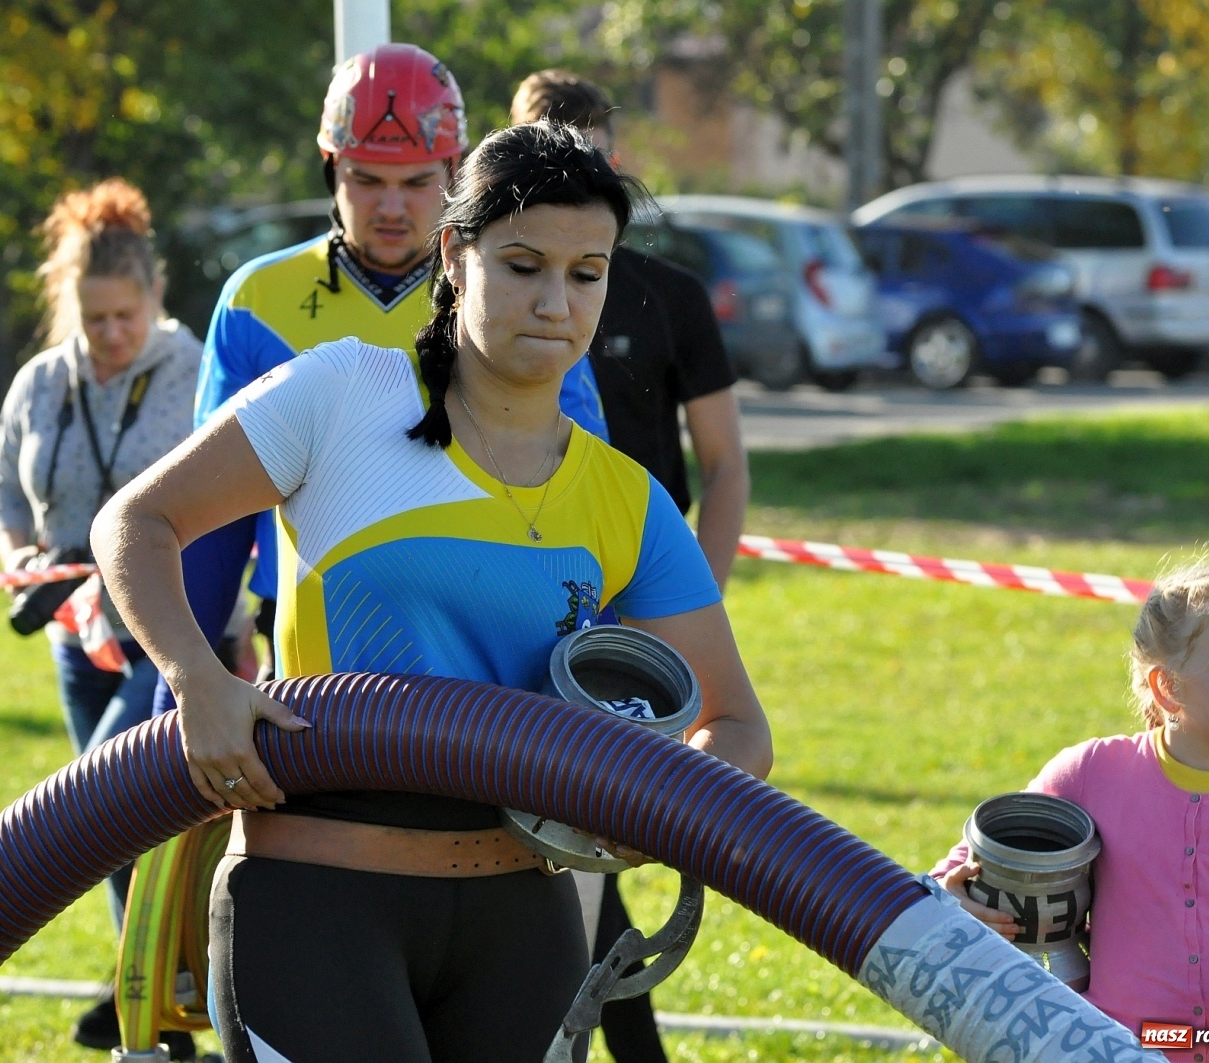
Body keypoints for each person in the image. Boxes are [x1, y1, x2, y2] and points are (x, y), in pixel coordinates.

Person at [92, 122, 773, 1063]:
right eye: (524, 263)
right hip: (317, 901)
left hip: (523, 916)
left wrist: (653, 809)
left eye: (588, 273)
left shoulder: (626, 498)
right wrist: (196, 679)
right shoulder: (343, 393)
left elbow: (737, 725)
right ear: (455, 254)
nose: (555, 302)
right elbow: (134, 523)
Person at [154, 44, 610, 707]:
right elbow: (209, 523)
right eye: (367, 179)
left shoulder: (508, 292)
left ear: (455, 172)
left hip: (494, 651)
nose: (391, 206)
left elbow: (584, 495)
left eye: (418, 181)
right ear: (330, 168)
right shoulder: (256, 300)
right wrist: (180, 703)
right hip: (316, 652)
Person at [511, 69, 752, 1063]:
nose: (559, 297)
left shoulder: (667, 295)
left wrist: (692, 606)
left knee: (597, 845)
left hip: (635, 601)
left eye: (592, 152)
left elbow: (726, 465)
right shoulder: (485, 290)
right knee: (546, 846)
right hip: (521, 593)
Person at [0, 178, 203, 1058]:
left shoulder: (194, 370)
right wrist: (15, 556)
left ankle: (179, 985)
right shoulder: (41, 382)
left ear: (155, 297)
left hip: (166, 624)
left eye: (124, 315)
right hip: (76, 635)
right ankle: (146, 997)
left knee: (102, 801)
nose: (110, 336)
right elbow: (2, 485)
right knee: (116, 836)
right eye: (93, 319)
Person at [932, 561, 1209, 1062]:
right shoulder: (1091, 770)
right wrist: (953, 893)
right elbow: (968, 861)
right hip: (1111, 1045)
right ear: (1166, 687)